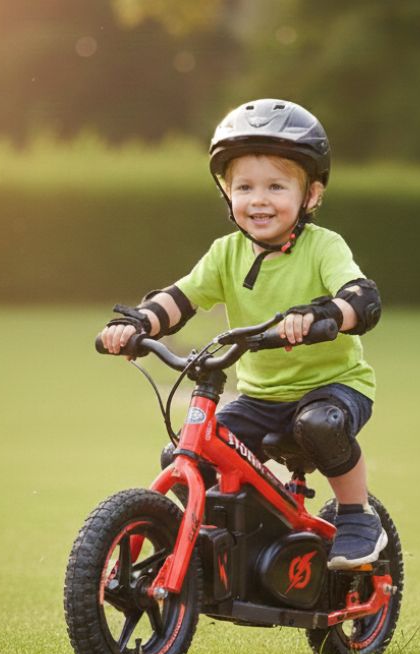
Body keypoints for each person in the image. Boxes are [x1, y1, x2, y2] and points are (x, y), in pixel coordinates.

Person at [99, 98, 385, 569]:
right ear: (227, 194)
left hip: (333, 389)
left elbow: (361, 296)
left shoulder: (323, 247)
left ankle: (356, 516)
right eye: (245, 187)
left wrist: (321, 314)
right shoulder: (225, 253)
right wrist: (138, 323)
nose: (259, 199)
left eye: (276, 186)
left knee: (319, 424)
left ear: (311, 195)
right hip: (261, 396)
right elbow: (182, 297)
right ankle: (229, 542)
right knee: (192, 451)